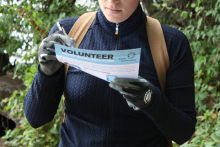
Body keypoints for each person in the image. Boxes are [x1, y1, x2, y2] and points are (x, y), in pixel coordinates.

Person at [23, 0, 197, 146]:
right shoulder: (68, 32)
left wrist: (152, 101)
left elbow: (183, 133)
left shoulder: (170, 43)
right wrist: (45, 73)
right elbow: (36, 119)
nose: (113, 1)